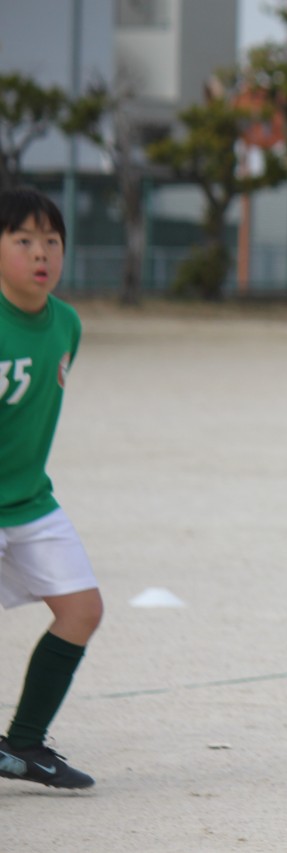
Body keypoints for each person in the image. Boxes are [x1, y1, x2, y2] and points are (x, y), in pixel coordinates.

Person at [0, 188, 101, 789]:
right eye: (23, 241)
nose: (41, 253)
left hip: (30, 501)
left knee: (82, 610)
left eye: (52, 241)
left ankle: (23, 744)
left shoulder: (67, 324)